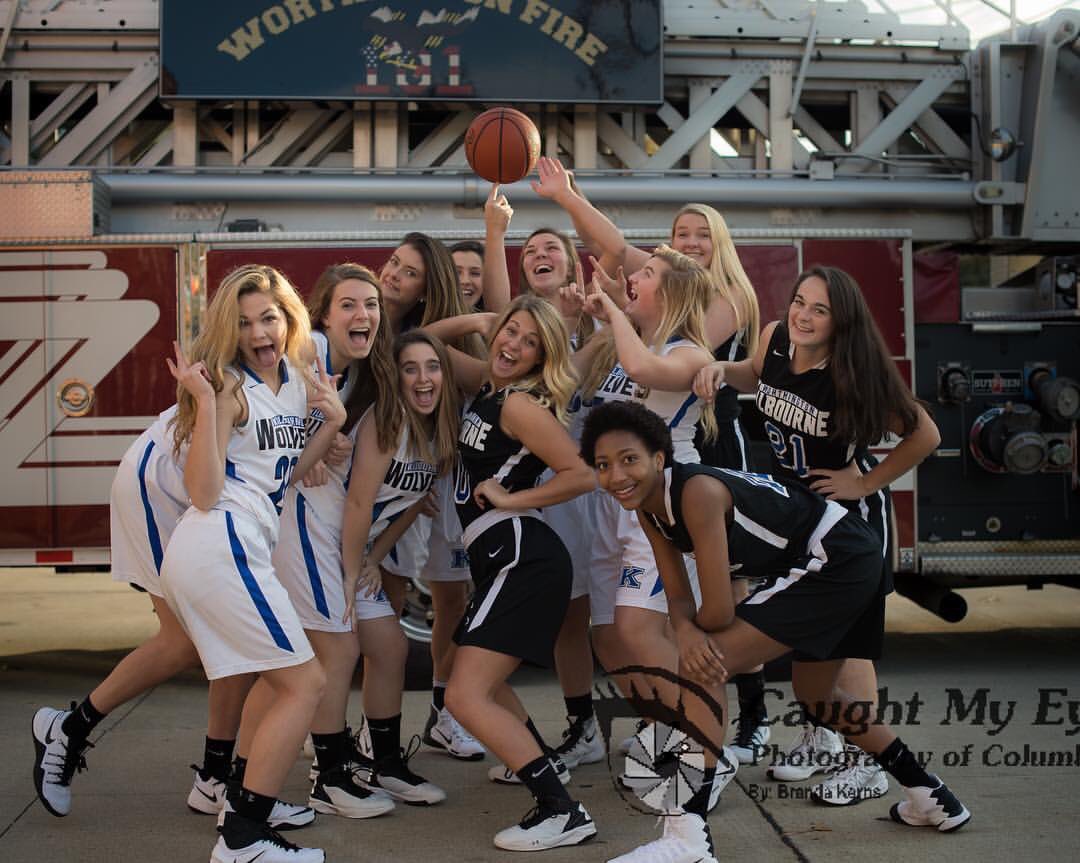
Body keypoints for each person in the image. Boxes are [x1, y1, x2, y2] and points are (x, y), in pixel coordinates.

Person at [581, 400, 970, 862]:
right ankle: (930, 796)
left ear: (659, 458)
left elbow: (720, 608)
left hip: (835, 557)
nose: (616, 475)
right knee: (818, 696)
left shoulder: (697, 492)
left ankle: (686, 836)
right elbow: (681, 597)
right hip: (848, 555)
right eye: (603, 465)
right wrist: (684, 629)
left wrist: (690, 637)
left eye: (629, 459)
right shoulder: (649, 510)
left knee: (704, 668)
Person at [532, 156, 770, 758]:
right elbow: (611, 260)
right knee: (609, 633)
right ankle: (666, 726)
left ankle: (706, 747)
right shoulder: (636, 339)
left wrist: (612, 311)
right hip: (620, 502)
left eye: (645, 274)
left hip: (670, 499)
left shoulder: (690, 348)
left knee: (653, 628)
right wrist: (603, 309)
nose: (631, 276)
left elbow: (645, 367)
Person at [693, 265, 942, 803]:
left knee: (847, 644)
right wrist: (720, 368)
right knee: (810, 638)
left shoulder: (852, 371)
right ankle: (821, 737)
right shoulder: (776, 336)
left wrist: (866, 480)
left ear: (840, 321)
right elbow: (753, 375)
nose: (804, 315)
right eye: (800, 301)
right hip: (795, 517)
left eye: (819, 309)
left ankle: (868, 764)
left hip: (846, 521)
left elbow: (926, 433)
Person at [161, 264, 344, 863]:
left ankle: (238, 805)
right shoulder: (229, 388)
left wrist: (333, 422)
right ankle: (243, 836)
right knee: (307, 683)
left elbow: (284, 474)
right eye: (242, 323)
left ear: (289, 317)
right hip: (220, 541)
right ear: (228, 332)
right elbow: (206, 493)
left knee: (281, 682)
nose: (258, 331)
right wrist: (206, 404)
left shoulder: (296, 378)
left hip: (240, 545)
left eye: (268, 316)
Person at [434, 294, 598, 850]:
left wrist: (513, 497)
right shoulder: (487, 382)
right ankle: (539, 767)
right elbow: (420, 345)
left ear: (540, 359)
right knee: (479, 678)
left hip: (522, 554)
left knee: (463, 695)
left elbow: (581, 474)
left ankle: (561, 809)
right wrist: (481, 320)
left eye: (530, 343)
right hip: (502, 556)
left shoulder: (521, 406)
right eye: (511, 332)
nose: (514, 345)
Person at [269, 263, 399, 820]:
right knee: (337, 649)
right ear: (322, 313)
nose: (363, 314)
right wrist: (312, 447)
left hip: (295, 518)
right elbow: (274, 405)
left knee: (296, 661)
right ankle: (330, 777)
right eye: (348, 304)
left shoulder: (351, 375)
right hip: (287, 520)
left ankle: (234, 776)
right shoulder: (313, 348)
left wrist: (324, 442)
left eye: (371, 304)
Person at [377, 230, 492, 760]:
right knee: (367, 611)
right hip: (383, 487)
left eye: (478, 272)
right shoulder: (371, 324)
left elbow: (491, 376)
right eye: (394, 264)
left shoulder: (464, 343)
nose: (393, 274)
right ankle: (333, 729)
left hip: (439, 488)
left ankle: (444, 714)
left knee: (449, 602)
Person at [334, 330, 461, 806]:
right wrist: (350, 572)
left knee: (388, 646)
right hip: (323, 543)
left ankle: (381, 763)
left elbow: (411, 505)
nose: (424, 378)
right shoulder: (385, 422)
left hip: (353, 549)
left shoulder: (437, 430)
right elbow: (358, 501)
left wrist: (373, 557)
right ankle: (324, 769)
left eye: (433, 367)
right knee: (333, 653)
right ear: (395, 376)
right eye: (411, 368)